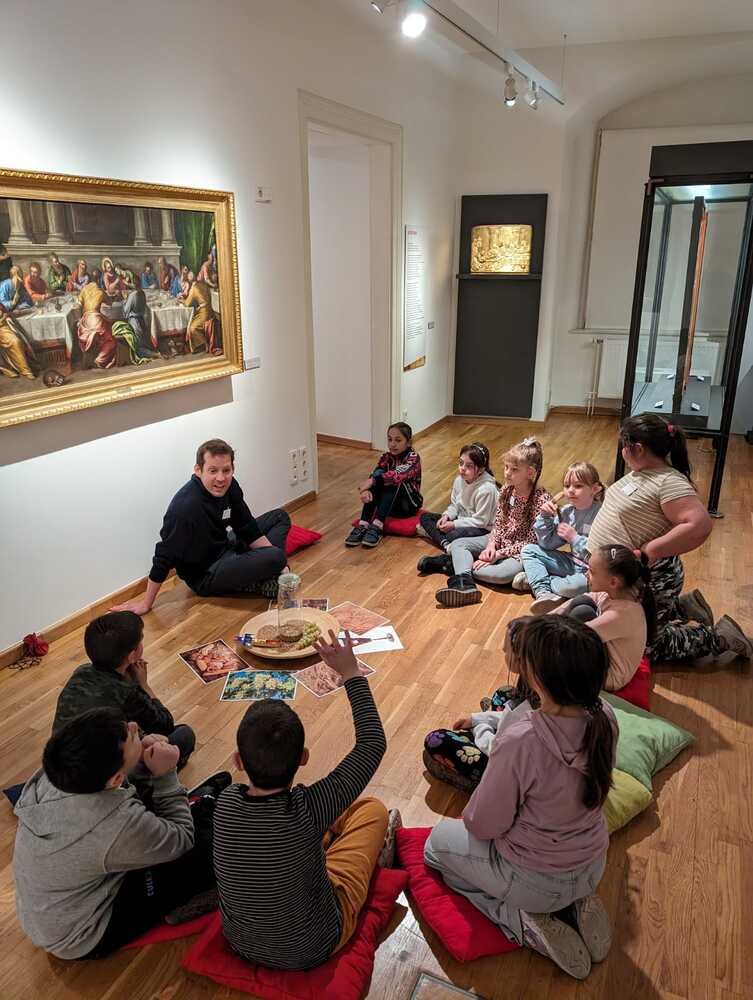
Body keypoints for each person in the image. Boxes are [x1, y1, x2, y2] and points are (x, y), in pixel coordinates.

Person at [424, 615, 617, 980]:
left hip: (534, 882)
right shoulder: (606, 716)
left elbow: (483, 824)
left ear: (538, 679)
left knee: (434, 847)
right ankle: (575, 901)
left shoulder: (522, 737)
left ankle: (518, 919)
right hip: (593, 864)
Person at [213, 627, 399, 971]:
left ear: (238, 761)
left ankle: (319, 844)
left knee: (322, 828)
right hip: (314, 945)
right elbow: (372, 743)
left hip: (239, 941)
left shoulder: (224, 804)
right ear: (303, 758)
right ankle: (347, 851)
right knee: (372, 810)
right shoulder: (309, 808)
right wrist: (351, 672)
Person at [13, 707, 216, 959]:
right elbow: (182, 839)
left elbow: (117, 788)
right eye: (129, 735)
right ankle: (180, 905)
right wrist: (166, 776)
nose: (134, 726)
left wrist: (139, 757)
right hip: (83, 934)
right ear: (117, 778)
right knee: (213, 844)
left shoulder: (56, 772)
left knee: (181, 747)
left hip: (50, 912)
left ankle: (199, 804)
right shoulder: (113, 822)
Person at [588, 414, 752, 662]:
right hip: (622, 573)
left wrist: (651, 549)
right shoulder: (641, 473)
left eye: (623, 445)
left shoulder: (668, 481)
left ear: (638, 448)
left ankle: (720, 637)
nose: (621, 451)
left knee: (645, 647)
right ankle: (682, 607)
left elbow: (700, 524)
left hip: (650, 577)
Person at [112, 438, 291, 614]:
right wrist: (146, 603)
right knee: (276, 556)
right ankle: (261, 576)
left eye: (226, 470)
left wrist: (279, 567)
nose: (221, 478)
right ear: (198, 470)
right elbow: (164, 556)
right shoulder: (185, 507)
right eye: (213, 471)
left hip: (225, 547)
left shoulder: (230, 487)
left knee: (279, 517)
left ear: (233, 469)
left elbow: (246, 526)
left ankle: (267, 574)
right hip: (206, 574)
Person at [52, 610, 195, 768]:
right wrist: (143, 685)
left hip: (58, 763)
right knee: (185, 735)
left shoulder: (81, 671)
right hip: (101, 774)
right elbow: (165, 725)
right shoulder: (127, 691)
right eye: (140, 641)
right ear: (132, 656)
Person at [434, 437, 551, 608]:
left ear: (530, 473)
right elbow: (498, 522)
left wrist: (498, 554)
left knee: (501, 575)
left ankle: (457, 568)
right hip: (499, 540)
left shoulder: (541, 499)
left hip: (519, 551)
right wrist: (491, 545)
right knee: (458, 544)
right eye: (506, 467)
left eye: (514, 469)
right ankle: (466, 584)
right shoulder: (506, 489)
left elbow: (531, 541)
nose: (507, 473)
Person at [423, 615, 534, 792]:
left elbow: (496, 748)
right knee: (504, 693)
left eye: (506, 651)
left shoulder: (523, 711)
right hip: (519, 746)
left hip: (509, 770)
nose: (503, 651)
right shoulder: (542, 691)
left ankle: (478, 785)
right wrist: (478, 718)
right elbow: (515, 715)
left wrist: (480, 726)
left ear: (520, 658)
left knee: (435, 739)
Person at [548, 545, 653, 691]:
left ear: (613, 582)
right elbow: (579, 600)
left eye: (591, 571)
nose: (586, 574)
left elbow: (572, 636)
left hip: (609, 678)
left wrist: (536, 634)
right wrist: (543, 619)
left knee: (580, 615)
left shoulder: (621, 614)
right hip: (603, 655)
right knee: (581, 604)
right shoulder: (612, 594)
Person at [520, 461, 604, 613]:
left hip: (591, 570)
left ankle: (538, 580)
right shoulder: (566, 512)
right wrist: (544, 517)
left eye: (578, 486)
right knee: (528, 550)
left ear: (595, 489)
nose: (570, 490)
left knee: (574, 587)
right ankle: (543, 593)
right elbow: (547, 544)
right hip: (571, 562)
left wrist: (575, 539)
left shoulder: (602, 513)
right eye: (567, 486)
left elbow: (600, 554)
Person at [416, 442, 499, 574]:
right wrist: (446, 516)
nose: (462, 468)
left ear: (481, 469)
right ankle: (448, 546)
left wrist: (454, 524)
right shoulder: (459, 480)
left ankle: (443, 541)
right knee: (425, 517)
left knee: (452, 534)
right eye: (461, 463)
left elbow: (481, 521)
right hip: (462, 520)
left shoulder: (487, 489)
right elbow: (455, 505)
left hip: (482, 528)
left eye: (469, 466)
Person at [344, 422, 423, 550]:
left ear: (408, 442)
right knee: (379, 474)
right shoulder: (386, 457)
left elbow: (398, 474)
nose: (392, 444)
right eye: (390, 439)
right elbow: (376, 473)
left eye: (398, 440)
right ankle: (363, 523)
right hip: (389, 505)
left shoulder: (413, 458)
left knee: (393, 478)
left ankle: (377, 526)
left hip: (408, 505)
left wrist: (372, 482)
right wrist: (366, 490)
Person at [77, 268, 117, 368]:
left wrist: (80, 319)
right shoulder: (100, 291)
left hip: (85, 321)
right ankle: (99, 360)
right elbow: (110, 303)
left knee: (105, 328)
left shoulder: (84, 289)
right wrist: (115, 296)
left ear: (91, 278)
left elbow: (79, 305)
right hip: (96, 321)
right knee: (111, 341)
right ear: (99, 279)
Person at [0, 304, 39, 380]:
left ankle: (26, 369)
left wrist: (6, 315)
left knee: (16, 341)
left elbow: (5, 312)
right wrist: (3, 318)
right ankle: (23, 370)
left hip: (3, 328)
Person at [182, 277, 219, 353]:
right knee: (193, 321)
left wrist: (181, 300)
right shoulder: (204, 284)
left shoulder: (194, 287)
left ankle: (205, 344)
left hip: (204, 313)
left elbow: (187, 303)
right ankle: (202, 344)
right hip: (210, 311)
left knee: (192, 328)